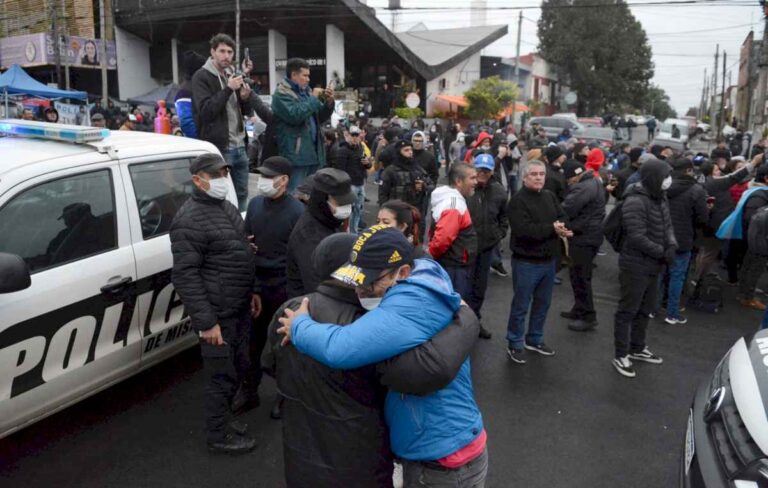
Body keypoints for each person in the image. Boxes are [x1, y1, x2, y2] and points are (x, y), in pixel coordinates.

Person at [262, 231, 479, 487]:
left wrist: (299, 328)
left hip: (301, 452)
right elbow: (415, 373)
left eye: (369, 280)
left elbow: (272, 363)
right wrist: (466, 320)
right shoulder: (377, 320)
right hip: (363, 457)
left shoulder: (292, 310)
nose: (362, 288)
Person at [169, 153, 257, 453]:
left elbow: (243, 250)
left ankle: (225, 421)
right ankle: (219, 436)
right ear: (198, 180)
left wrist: (252, 291)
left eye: (224, 173)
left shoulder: (226, 207)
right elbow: (185, 276)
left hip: (239, 306)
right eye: (216, 175)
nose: (222, 180)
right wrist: (207, 323)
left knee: (237, 367)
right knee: (220, 377)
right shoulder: (188, 220)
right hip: (218, 314)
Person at [241, 156, 304, 415]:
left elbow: (298, 258)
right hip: (258, 286)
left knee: (283, 346)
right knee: (251, 344)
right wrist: (254, 287)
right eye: (262, 175)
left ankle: (283, 395)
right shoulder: (255, 205)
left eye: (269, 176)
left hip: (284, 288)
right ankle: (248, 392)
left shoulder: (297, 212)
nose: (264, 181)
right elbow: (248, 245)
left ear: (284, 180)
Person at [191, 33, 272, 210]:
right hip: (220, 147)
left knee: (242, 194)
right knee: (221, 195)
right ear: (212, 52)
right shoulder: (201, 77)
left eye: (230, 52)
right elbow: (206, 112)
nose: (226, 55)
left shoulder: (232, 75)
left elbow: (241, 112)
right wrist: (228, 89)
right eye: (222, 51)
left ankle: (240, 228)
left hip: (240, 145)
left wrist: (243, 98)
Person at [612, 158, 676, 378]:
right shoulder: (635, 201)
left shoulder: (660, 197)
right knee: (627, 310)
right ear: (654, 177)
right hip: (635, 264)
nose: (669, 180)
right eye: (665, 175)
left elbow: (667, 226)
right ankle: (621, 354)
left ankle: (637, 347)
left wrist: (672, 245)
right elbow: (637, 236)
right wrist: (662, 251)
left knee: (645, 309)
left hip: (653, 264)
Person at [505, 160, 572, 364]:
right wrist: (552, 228)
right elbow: (525, 231)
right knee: (521, 305)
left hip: (548, 261)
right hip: (526, 262)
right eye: (533, 174)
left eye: (541, 174)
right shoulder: (517, 201)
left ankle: (534, 338)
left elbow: (563, 216)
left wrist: (562, 227)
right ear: (524, 177)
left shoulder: (549, 196)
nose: (538, 177)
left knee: (543, 304)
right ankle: (515, 343)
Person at [692, 154, 762, 284]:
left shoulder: (703, 181)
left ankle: (698, 274)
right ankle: (699, 279)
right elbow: (734, 177)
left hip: (708, 222)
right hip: (716, 223)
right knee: (710, 253)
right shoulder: (715, 182)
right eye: (717, 170)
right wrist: (754, 162)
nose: (720, 171)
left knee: (705, 251)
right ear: (710, 173)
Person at [286, 168, 356, 298]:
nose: (346, 207)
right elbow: (316, 286)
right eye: (340, 203)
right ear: (323, 200)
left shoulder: (331, 219)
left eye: (348, 202)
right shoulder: (309, 235)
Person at [272, 58, 335, 191]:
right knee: (295, 194)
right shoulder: (281, 94)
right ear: (294, 75)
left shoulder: (306, 92)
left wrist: (329, 103)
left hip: (313, 153)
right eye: (305, 75)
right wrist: (313, 98)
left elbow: (320, 117)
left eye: (308, 76)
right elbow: (295, 116)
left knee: (311, 196)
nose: (308, 79)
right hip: (296, 156)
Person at [560, 160, 606, 332]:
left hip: (584, 238)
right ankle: (579, 309)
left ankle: (588, 315)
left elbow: (567, 208)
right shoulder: (593, 181)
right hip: (589, 236)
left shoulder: (583, 187)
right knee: (577, 275)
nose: (568, 183)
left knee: (581, 277)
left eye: (569, 180)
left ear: (575, 176)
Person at [663, 158, 709, 325]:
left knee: (660, 274)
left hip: (661, 236)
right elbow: (703, 218)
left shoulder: (664, 186)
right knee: (677, 276)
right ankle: (672, 313)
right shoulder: (696, 190)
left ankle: (652, 309)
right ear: (689, 171)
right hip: (683, 238)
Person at [467, 154, 508, 339]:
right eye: (479, 169)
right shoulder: (465, 187)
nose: (482, 173)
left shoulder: (499, 191)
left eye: (486, 170)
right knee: (461, 287)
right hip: (464, 248)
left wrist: (499, 234)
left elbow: (503, 218)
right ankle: (458, 323)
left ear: (492, 171)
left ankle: (474, 321)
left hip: (485, 249)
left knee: (479, 289)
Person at [429, 163, 478, 302]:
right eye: (472, 178)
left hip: (453, 265)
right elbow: (441, 241)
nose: (476, 182)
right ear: (458, 181)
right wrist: (432, 257)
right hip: (453, 268)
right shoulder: (454, 205)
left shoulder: (453, 200)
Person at [329, 125, 371, 233]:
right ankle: (348, 234)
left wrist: (367, 163)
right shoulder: (343, 150)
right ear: (347, 135)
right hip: (350, 185)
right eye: (353, 135)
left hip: (360, 183)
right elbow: (340, 170)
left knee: (358, 210)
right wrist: (344, 186)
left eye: (357, 135)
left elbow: (368, 166)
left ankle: (354, 232)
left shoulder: (360, 147)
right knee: (348, 211)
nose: (355, 137)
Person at [378, 140, 433, 210]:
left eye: (411, 150)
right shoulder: (390, 171)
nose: (410, 152)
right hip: (396, 210)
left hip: (414, 210)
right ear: (399, 152)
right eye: (406, 150)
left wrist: (423, 186)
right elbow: (382, 194)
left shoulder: (417, 169)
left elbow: (431, 185)